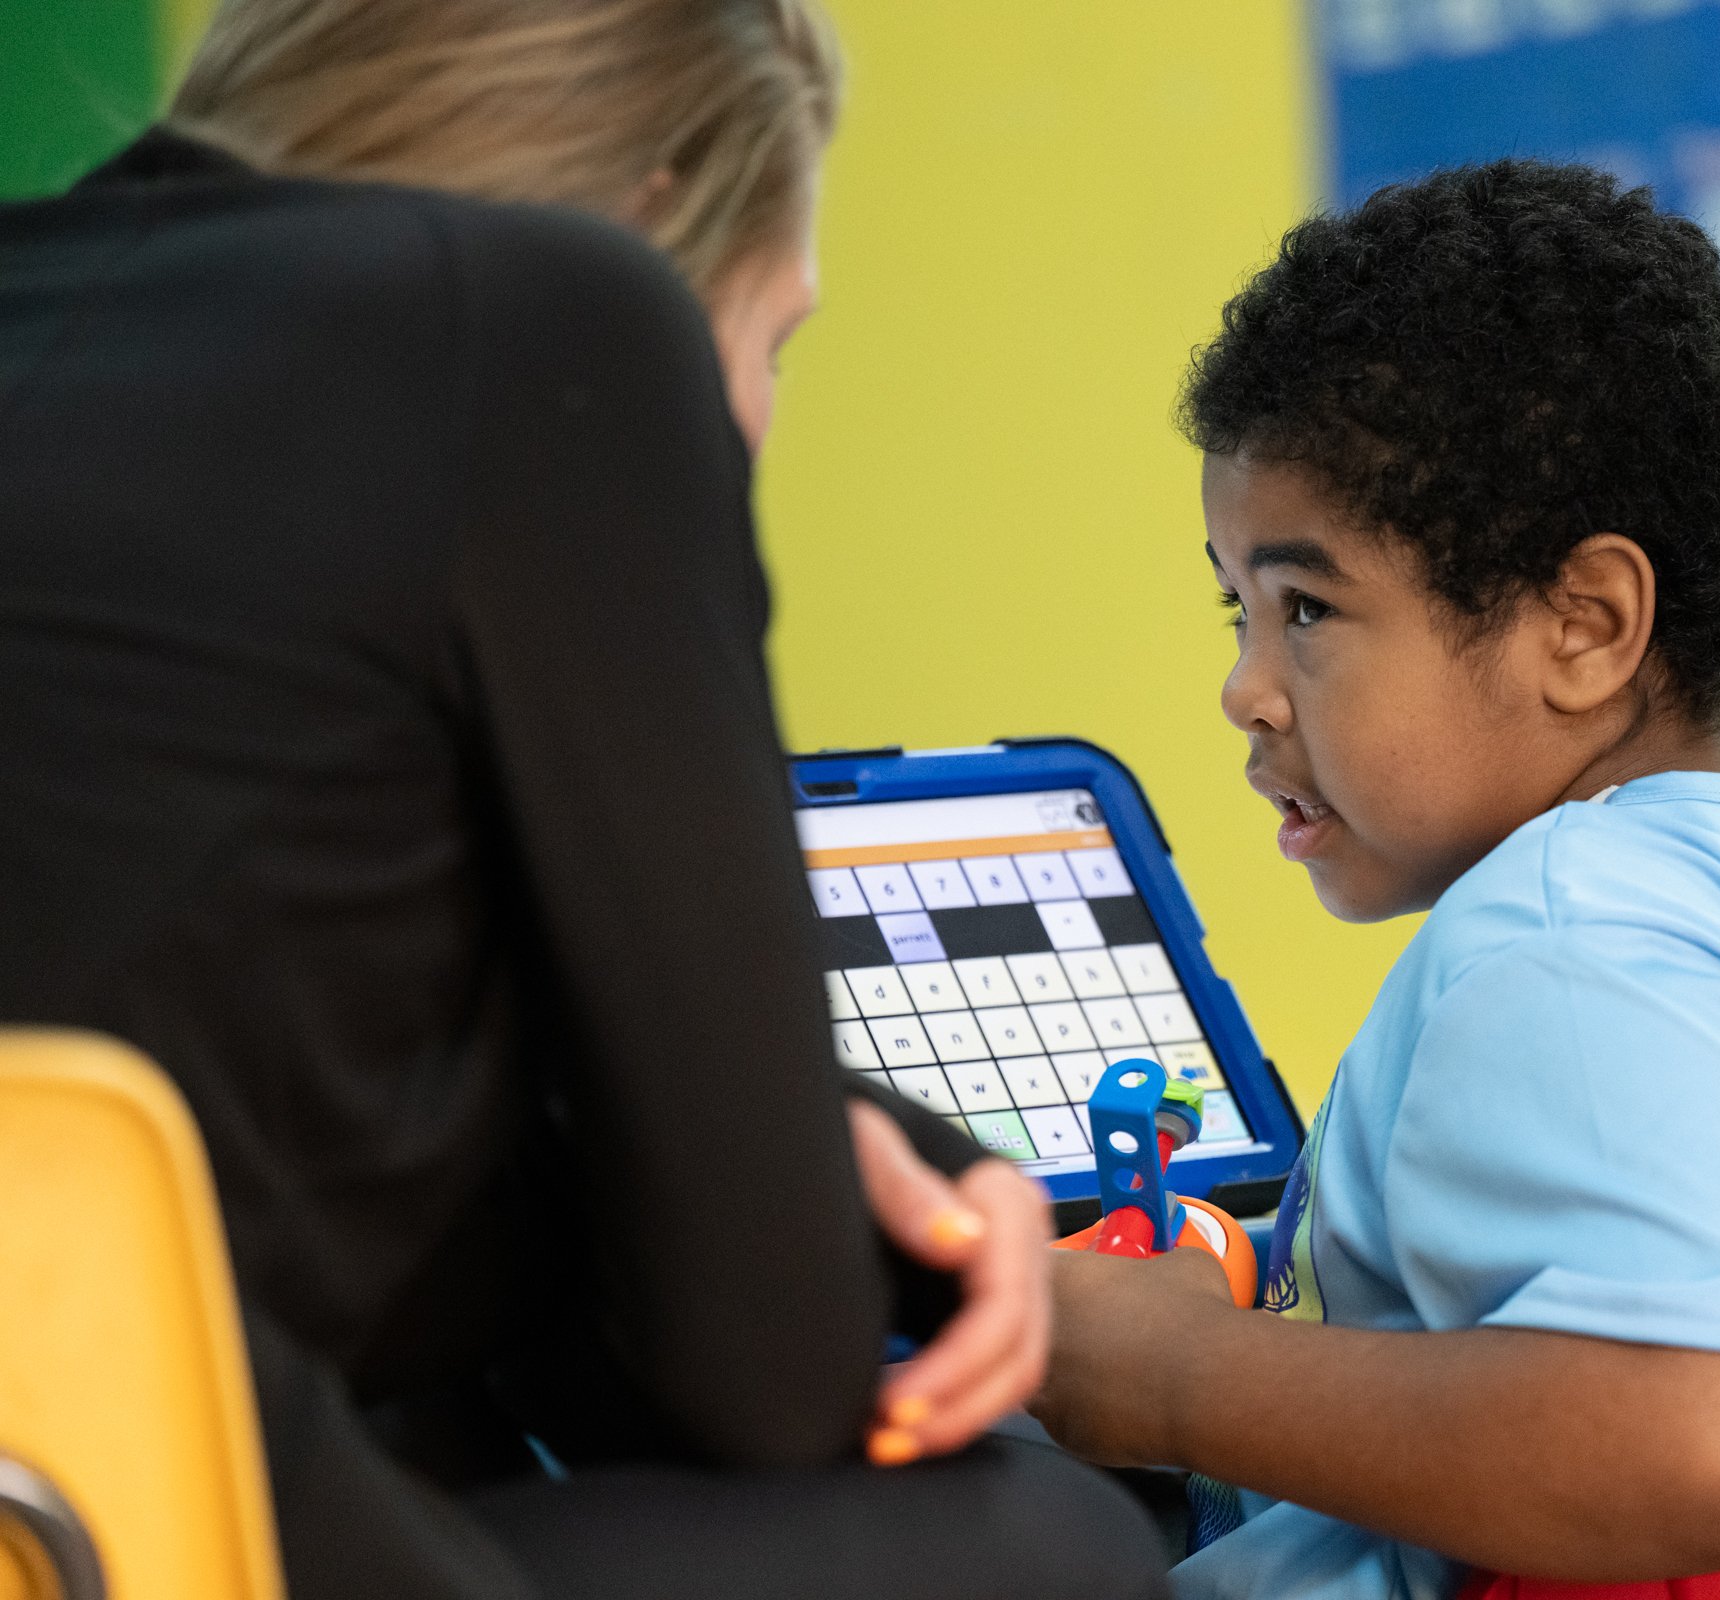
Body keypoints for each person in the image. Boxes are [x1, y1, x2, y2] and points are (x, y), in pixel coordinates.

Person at [0, 1, 1167, 1597]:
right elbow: (764, 1369)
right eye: (774, 344)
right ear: (656, 208)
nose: (750, 422)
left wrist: (852, 1146)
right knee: (1050, 1545)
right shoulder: (550, 317)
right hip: (87, 1511)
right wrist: (901, 1215)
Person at [1030, 160, 1720, 1599]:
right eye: (1234, 609)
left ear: (1585, 625)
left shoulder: (1564, 934)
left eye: (1307, 608)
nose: (1245, 689)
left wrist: (1178, 1374)